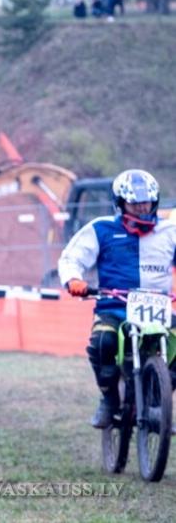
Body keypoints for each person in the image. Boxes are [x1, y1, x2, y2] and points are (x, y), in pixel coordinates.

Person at [58, 169, 176, 429]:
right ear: (121, 204)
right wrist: (74, 280)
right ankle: (109, 399)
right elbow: (71, 258)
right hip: (114, 307)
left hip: (158, 308)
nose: (142, 208)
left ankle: (158, 401)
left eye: (146, 203)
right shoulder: (100, 229)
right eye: (135, 204)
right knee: (103, 342)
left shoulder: (170, 231)